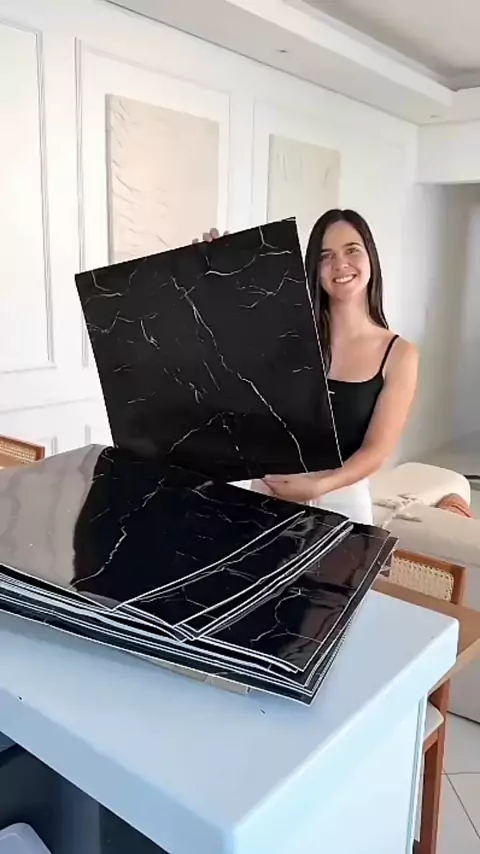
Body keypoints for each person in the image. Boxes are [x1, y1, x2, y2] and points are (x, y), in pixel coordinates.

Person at [196, 211, 418, 524]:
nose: (340, 264)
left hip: (342, 502)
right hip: (268, 494)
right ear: (315, 267)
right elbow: (227, 344)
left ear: (371, 257)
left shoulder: (398, 354)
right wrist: (216, 268)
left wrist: (319, 486)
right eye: (326, 256)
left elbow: (376, 450)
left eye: (352, 250)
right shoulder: (287, 334)